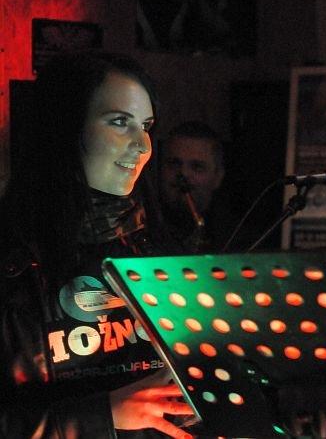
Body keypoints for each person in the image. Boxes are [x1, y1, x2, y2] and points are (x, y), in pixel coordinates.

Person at [0, 53, 194, 438]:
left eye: (147, 126)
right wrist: (99, 415)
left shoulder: (160, 250)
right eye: (120, 122)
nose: (143, 146)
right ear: (65, 127)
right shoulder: (11, 259)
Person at [159, 120, 233, 252]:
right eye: (174, 164)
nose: (183, 173)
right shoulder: (140, 226)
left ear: (218, 177)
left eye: (197, 167)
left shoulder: (233, 236)